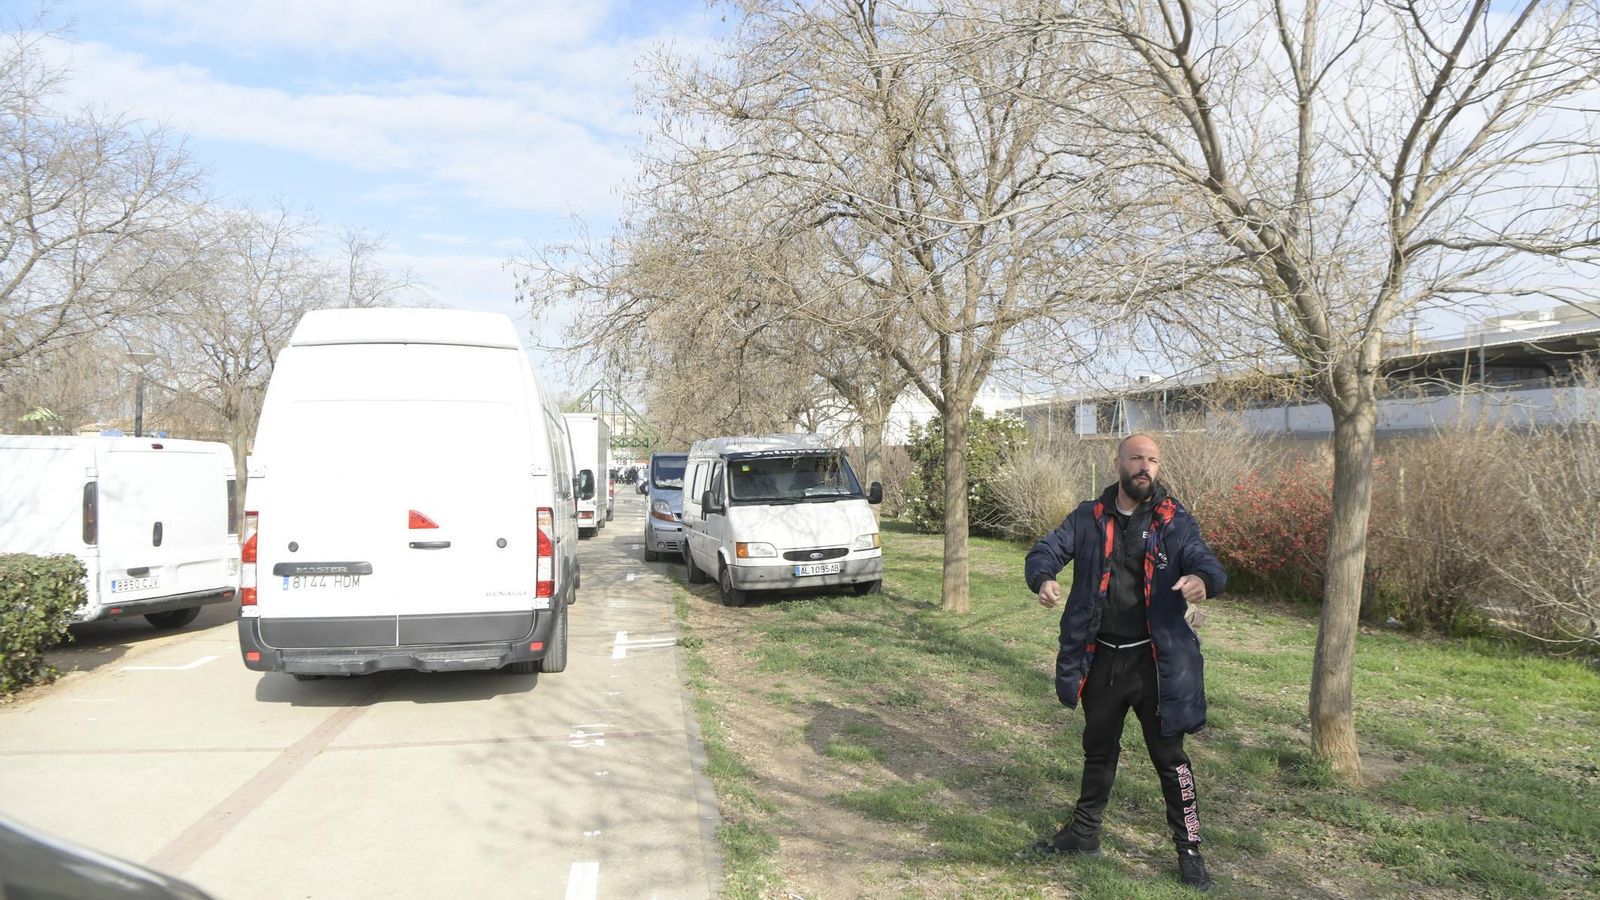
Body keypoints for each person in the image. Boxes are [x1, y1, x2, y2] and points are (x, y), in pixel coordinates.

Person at [1022, 433, 1225, 892]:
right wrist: (1043, 577)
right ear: (1117, 462)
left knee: (1171, 760)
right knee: (1098, 750)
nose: (1145, 467)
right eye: (1137, 458)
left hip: (1158, 665)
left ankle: (1189, 851)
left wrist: (1200, 580)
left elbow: (1206, 563)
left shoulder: (1176, 523)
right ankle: (1084, 833)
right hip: (1103, 661)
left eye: (1152, 460)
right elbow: (1045, 550)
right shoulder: (1088, 517)